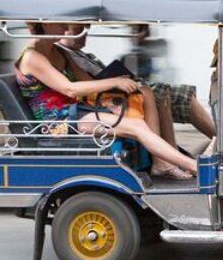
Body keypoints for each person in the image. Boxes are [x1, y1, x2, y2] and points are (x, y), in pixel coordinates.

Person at [15, 22, 196, 179]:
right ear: (44, 23)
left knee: (144, 97)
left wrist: (110, 99)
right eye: (62, 23)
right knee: (136, 127)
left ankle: (163, 163)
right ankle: (192, 166)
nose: (67, 27)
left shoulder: (59, 52)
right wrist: (116, 82)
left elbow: (87, 83)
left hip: (77, 111)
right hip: (57, 122)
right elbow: (69, 88)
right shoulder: (32, 57)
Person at [125, 24, 215, 140]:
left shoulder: (156, 49)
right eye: (135, 31)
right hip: (136, 95)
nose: (135, 35)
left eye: (140, 31)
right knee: (176, 95)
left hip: (153, 89)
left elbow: (166, 74)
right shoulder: (128, 57)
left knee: (178, 94)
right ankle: (220, 141)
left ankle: (219, 139)